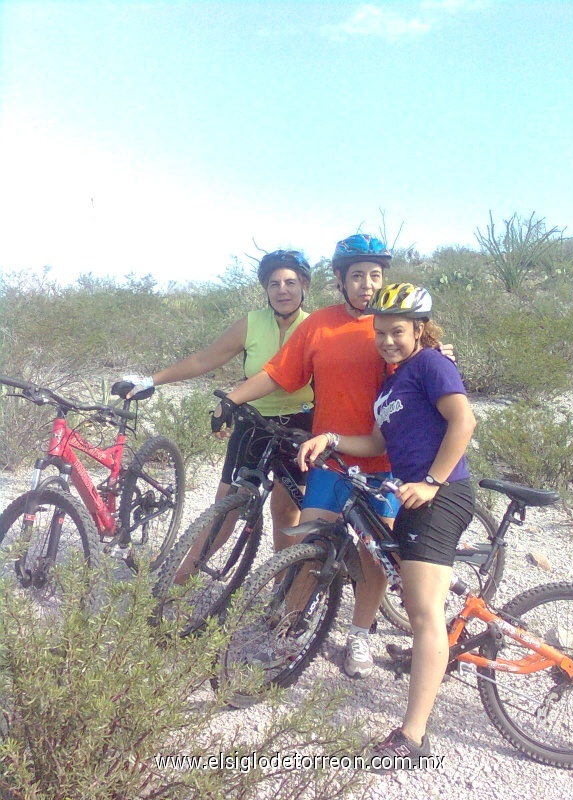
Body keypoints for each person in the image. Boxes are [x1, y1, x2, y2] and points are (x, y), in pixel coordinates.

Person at [212, 234, 454, 679]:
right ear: (340, 280)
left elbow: (432, 372)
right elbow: (277, 374)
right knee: (310, 543)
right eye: (357, 275)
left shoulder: (392, 327)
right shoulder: (319, 324)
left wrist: (441, 355)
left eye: (375, 275)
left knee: (373, 555)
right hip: (334, 459)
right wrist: (232, 397)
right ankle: (288, 626)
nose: (366, 284)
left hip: (384, 462)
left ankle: (358, 634)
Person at [296, 282, 476, 770]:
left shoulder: (432, 364)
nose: (387, 340)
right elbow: (377, 442)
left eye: (397, 331)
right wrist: (330, 437)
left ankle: (413, 736)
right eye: (380, 332)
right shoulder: (394, 380)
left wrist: (434, 481)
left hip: (441, 493)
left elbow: (464, 422)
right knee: (410, 584)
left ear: (419, 329)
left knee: (421, 612)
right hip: (414, 492)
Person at [125, 249, 314, 574]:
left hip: (299, 424)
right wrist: (150, 380)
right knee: (225, 505)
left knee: (284, 510)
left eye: (290, 282)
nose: (282, 290)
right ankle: (179, 584)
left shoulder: (315, 327)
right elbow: (204, 359)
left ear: (304, 286)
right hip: (253, 422)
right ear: (265, 289)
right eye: (274, 283)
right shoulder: (252, 323)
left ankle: (283, 590)